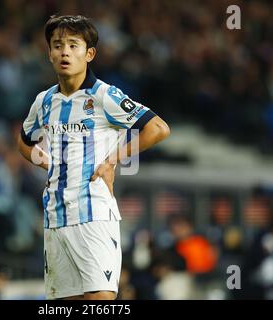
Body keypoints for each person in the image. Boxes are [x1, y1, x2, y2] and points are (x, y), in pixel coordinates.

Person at [18, 15, 170, 300]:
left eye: (73, 45)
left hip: (94, 216)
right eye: (57, 45)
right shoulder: (44, 101)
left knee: (99, 302)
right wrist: (51, 165)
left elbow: (158, 128)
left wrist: (114, 158)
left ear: (89, 54)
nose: (65, 51)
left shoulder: (104, 96)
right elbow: (24, 142)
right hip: (55, 218)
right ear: (49, 52)